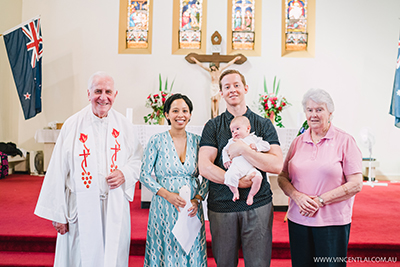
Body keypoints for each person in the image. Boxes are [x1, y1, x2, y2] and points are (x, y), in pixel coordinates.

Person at [34, 71, 142, 267]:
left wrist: (124, 173)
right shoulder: (72, 125)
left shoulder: (125, 126)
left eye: (108, 91)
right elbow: (57, 170)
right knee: (80, 257)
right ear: (88, 93)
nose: (103, 97)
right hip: (80, 207)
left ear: (115, 94)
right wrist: (58, 214)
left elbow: (137, 159)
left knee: (113, 255)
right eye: (98, 91)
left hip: (114, 205)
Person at [199, 69, 283, 267]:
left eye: (236, 85)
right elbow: (204, 166)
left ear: (245, 88)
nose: (232, 90)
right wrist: (236, 180)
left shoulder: (263, 125)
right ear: (221, 93)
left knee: (258, 263)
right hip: (222, 205)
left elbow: (277, 164)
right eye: (227, 87)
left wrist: (244, 151)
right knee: (225, 263)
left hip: (258, 204)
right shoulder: (213, 126)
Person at [277, 88, 363, 267]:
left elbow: (356, 184)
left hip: (332, 222)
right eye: (309, 110)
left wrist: (321, 200)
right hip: (298, 220)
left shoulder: (345, 141)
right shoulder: (298, 142)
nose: (313, 114)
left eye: (319, 110)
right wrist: (297, 196)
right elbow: (283, 177)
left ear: (330, 113)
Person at [140, 93, 209, 267]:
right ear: (166, 114)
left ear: (190, 115)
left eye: (185, 111)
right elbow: (144, 174)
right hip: (164, 205)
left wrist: (197, 199)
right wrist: (167, 195)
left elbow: (207, 175)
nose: (181, 115)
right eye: (175, 110)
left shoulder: (199, 141)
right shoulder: (156, 140)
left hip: (191, 208)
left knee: (191, 247)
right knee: (166, 246)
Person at [222, 116, 271, 205]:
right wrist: (226, 160)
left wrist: (257, 146)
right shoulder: (232, 141)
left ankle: (251, 195)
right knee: (229, 176)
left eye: (237, 128)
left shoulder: (254, 138)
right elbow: (224, 150)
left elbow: (267, 146)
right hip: (236, 166)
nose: (235, 132)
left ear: (248, 128)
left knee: (258, 177)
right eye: (232, 131)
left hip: (250, 168)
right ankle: (235, 192)